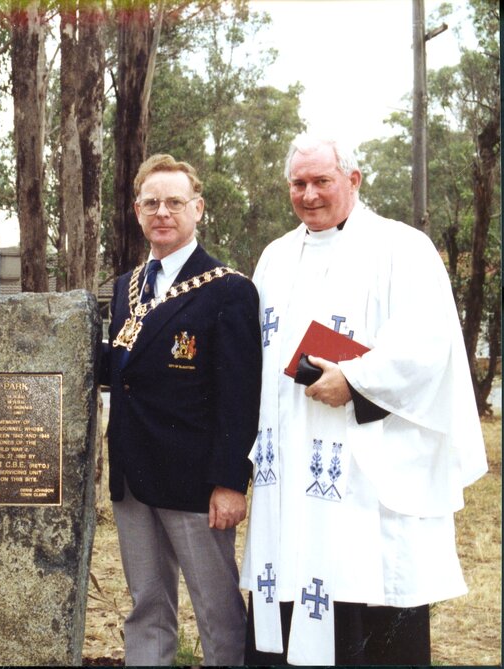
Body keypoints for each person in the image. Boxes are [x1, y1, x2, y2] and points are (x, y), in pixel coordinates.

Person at [241, 134, 488, 665]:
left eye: (321, 181)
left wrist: (354, 379)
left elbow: (428, 345)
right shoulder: (275, 257)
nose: (309, 195)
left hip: (364, 472)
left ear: (352, 180)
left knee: (367, 619)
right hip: (289, 473)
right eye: (298, 183)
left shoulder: (401, 247)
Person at [101, 154, 261, 665]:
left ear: (198, 209)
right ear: (137, 211)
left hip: (196, 484)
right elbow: (123, 373)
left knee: (216, 611)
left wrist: (230, 481)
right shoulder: (125, 288)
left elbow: (240, 396)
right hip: (133, 479)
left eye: (174, 202)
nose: (162, 212)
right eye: (151, 203)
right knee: (146, 606)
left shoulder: (229, 290)